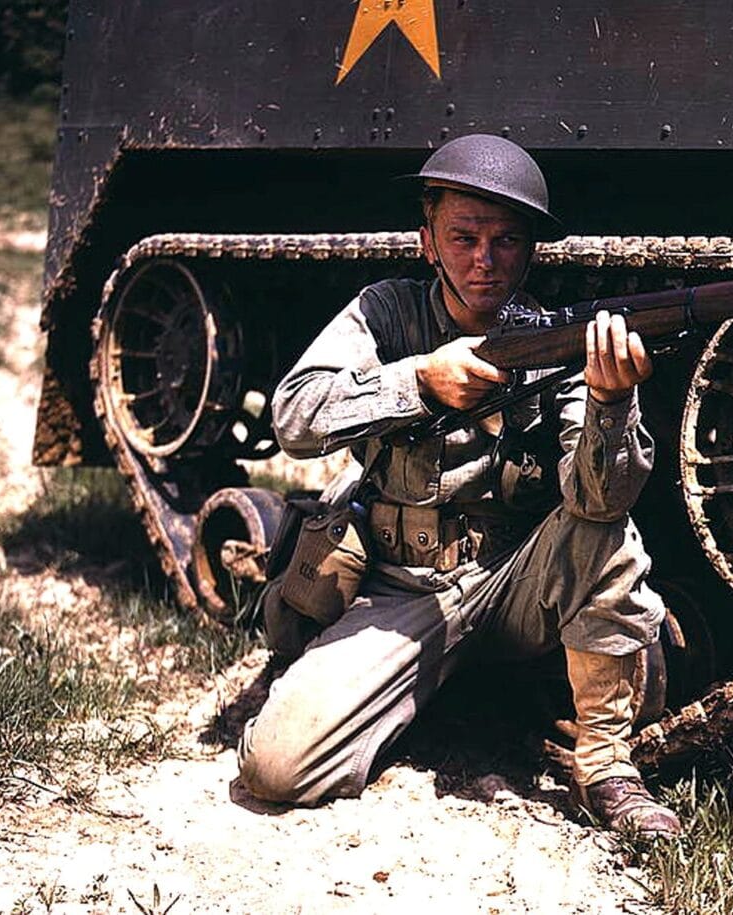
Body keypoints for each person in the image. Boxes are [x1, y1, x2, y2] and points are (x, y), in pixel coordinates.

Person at [236, 134, 681, 837]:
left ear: (531, 249)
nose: (485, 259)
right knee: (274, 768)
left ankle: (607, 767)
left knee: (603, 528)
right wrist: (417, 381)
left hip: (510, 581)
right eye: (464, 236)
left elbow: (601, 499)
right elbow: (294, 414)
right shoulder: (385, 314)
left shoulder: (552, 340)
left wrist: (610, 405)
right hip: (397, 586)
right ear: (427, 242)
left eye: (507, 240)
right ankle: (421, 691)